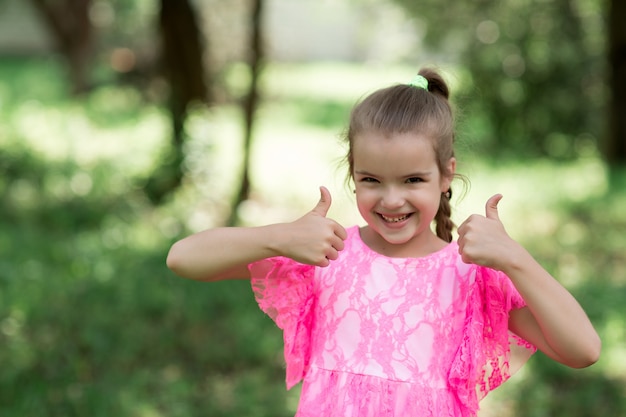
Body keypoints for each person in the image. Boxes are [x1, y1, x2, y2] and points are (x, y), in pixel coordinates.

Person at [166, 68, 601, 417]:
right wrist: (276, 236)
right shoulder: (325, 254)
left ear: (447, 175)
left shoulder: (470, 274)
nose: (391, 200)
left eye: (413, 180)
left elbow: (583, 350)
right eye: (371, 180)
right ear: (352, 174)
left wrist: (515, 258)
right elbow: (183, 259)